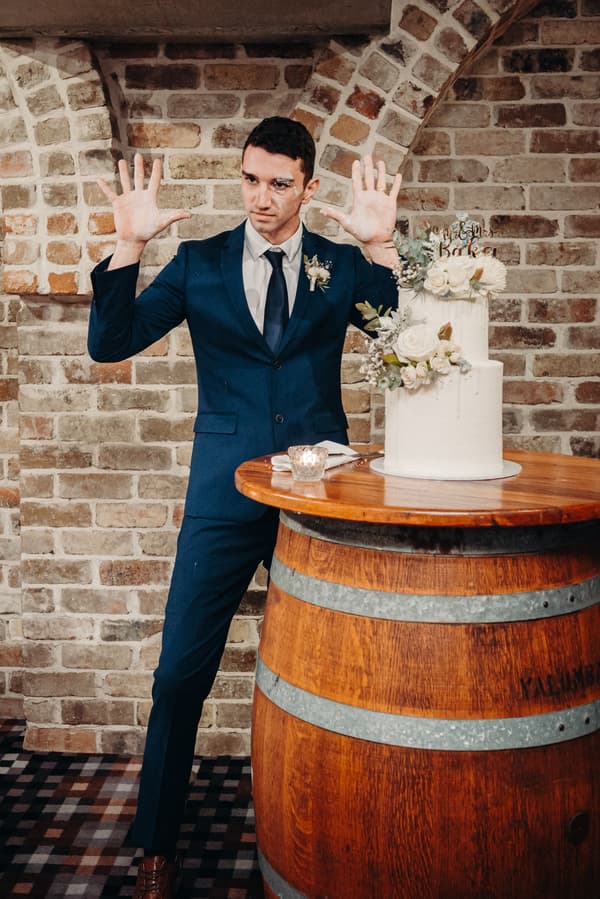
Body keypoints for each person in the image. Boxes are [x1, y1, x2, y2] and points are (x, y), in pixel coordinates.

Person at [88, 116, 401, 899]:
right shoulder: (197, 265)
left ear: (310, 187)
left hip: (318, 493)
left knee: (345, 672)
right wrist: (128, 248)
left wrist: (381, 251)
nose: (262, 198)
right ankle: (156, 845)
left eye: (280, 183)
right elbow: (110, 341)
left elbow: (402, 336)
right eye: (251, 179)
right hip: (222, 493)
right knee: (177, 676)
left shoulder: (337, 262)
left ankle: (342, 834)